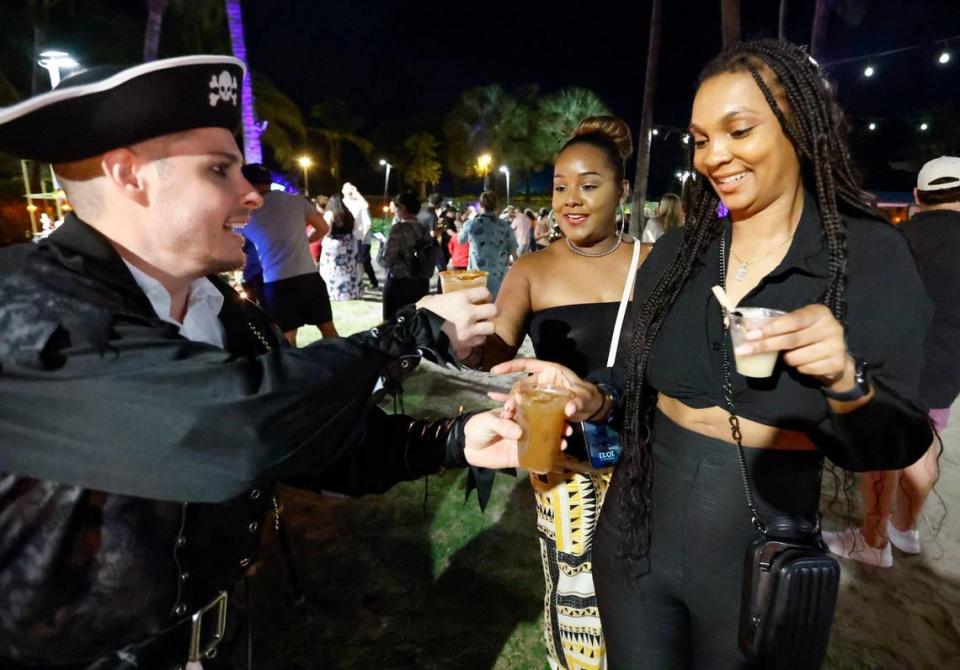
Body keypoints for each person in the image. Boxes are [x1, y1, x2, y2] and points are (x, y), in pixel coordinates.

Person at [0, 55, 521, 668]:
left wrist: (454, 440)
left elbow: (308, 443)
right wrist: (409, 332)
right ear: (128, 176)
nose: (251, 192)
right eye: (219, 170)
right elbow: (224, 425)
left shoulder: (227, 312)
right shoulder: (24, 305)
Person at [494, 40, 933, 667]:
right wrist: (593, 396)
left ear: (799, 129)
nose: (714, 155)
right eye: (701, 138)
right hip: (636, 531)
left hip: (757, 549)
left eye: (739, 129)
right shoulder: (678, 258)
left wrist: (846, 379)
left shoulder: (863, 260)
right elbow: (632, 382)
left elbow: (897, 442)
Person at [468, 116, 642, 670]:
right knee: (580, 603)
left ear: (623, 191)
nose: (570, 200)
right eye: (560, 186)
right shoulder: (531, 268)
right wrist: (474, 341)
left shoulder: (653, 265)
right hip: (566, 462)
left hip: (648, 455)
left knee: (645, 599)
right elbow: (495, 360)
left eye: (589, 185)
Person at [827, 155, 960, 566]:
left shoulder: (901, 238)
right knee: (927, 445)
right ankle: (905, 528)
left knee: (882, 452)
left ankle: (874, 539)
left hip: (896, 363)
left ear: (918, 196)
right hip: (948, 367)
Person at [241, 162, 338, 343]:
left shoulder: (245, 214)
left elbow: (237, 244)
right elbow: (323, 227)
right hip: (308, 275)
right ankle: (341, 363)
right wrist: (305, 240)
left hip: (276, 280)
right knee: (327, 327)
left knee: (287, 335)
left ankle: (295, 370)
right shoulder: (296, 201)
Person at [382, 191, 434, 319]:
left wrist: (381, 247)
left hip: (400, 284)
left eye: (396, 207)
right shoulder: (423, 228)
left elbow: (387, 259)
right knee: (416, 323)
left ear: (403, 208)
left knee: (394, 324)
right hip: (421, 283)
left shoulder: (398, 229)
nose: (394, 210)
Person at [457, 191, 517, 298]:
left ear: (480, 205)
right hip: (499, 279)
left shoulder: (471, 225)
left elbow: (460, 241)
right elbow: (513, 252)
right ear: (496, 206)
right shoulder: (504, 226)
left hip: (476, 278)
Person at [318, 195, 364, 300]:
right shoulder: (348, 214)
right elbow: (355, 228)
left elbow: (327, 231)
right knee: (349, 268)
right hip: (349, 242)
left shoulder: (329, 214)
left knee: (332, 268)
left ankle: (334, 292)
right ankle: (350, 292)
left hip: (334, 244)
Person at [342, 182, 378, 289]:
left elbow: (367, 219)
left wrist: (356, 192)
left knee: (363, 261)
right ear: (342, 190)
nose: (349, 190)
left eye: (351, 188)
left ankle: (372, 282)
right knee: (353, 261)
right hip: (349, 237)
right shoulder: (343, 203)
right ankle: (357, 282)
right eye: (346, 188)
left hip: (361, 237)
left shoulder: (359, 203)